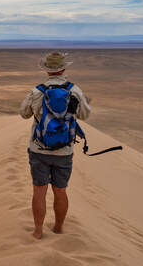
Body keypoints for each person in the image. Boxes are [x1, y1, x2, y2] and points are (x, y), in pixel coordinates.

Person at [19, 52, 91, 239]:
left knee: (39, 190)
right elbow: (85, 115)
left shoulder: (37, 91)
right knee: (60, 190)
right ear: (64, 68)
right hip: (64, 151)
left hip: (38, 149)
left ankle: (38, 231)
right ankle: (58, 227)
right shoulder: (74, 90)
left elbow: (23, 113)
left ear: (46, 70)